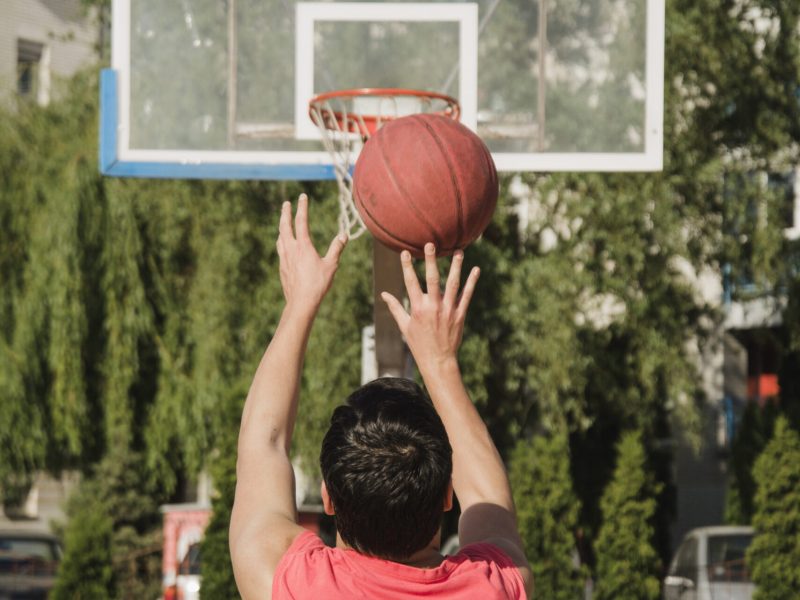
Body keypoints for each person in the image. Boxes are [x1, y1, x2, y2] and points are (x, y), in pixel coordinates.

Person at [229, 195, 532, 599]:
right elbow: (487, 499)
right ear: (447, 495)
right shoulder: (494, 586)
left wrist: (299, 304)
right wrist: (440, 364)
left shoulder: (291, 584)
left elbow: (263, 444)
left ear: (328, 498)